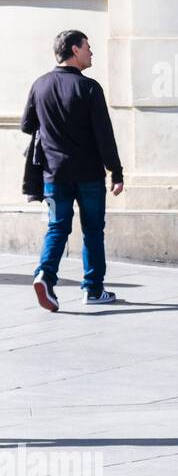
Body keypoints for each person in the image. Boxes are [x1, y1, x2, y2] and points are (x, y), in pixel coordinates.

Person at [21, 30, 123, 310]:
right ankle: (92, 289)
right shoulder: (89, 88)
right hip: (89, 174)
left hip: (54, 174)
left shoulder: (40, 85)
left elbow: (26, 126)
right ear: (74, 50)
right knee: (93, 230)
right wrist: (116, 172)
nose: (92, 52)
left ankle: (44, 275)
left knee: (57, 227)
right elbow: (104, 135)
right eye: (88, 47)